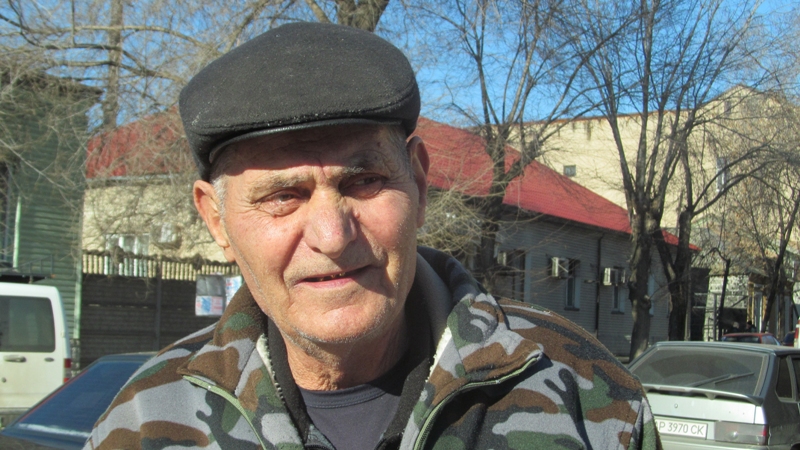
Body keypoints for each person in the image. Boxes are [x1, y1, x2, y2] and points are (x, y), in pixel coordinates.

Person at [86, 22, 661, 450]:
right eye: (283, 196)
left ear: (419, 184)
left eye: (364, 181)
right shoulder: (143, 423)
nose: (333, 236)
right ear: (216, 220)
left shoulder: (587, 399)